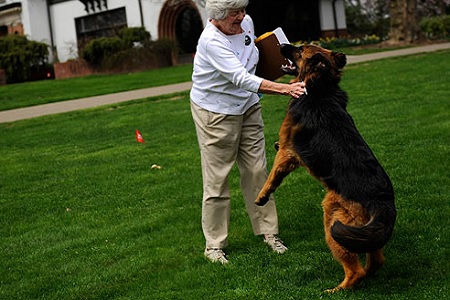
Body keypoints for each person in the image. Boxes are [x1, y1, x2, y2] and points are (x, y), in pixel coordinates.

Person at [190, 0, 306, 264]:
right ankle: (214, 245)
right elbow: (241, 78)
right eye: (235, 12)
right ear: (218, 16)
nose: (241, 16)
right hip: (216, 113)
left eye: (243, 9)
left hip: (248, 106)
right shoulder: (211, 41)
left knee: (257, 170)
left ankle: (269, 232)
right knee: (217, 179)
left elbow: (255, 58)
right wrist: (285, 89)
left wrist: (285, 69)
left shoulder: (246, 22)